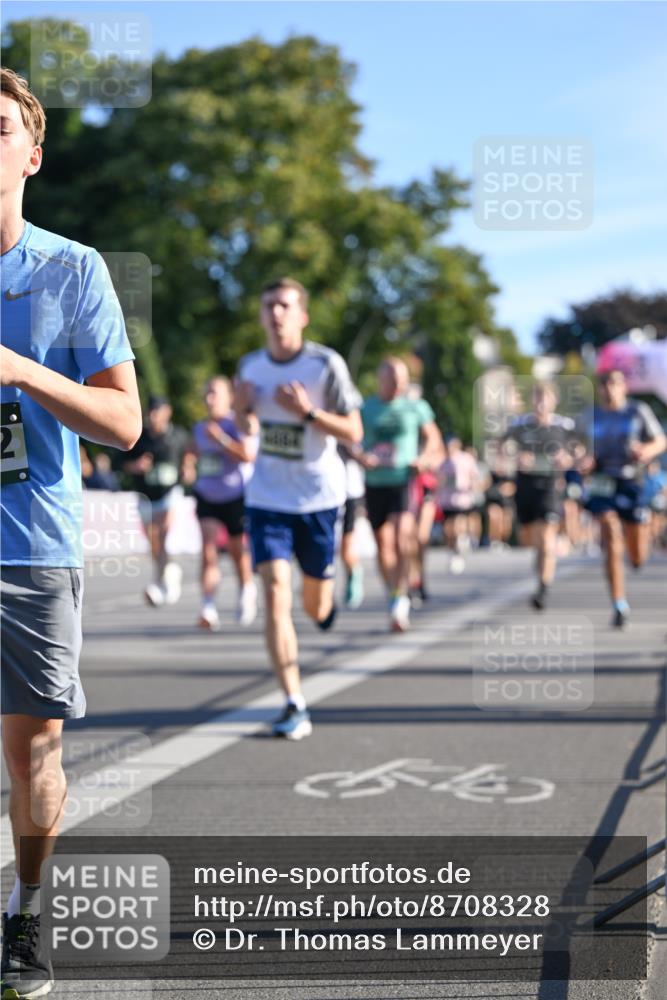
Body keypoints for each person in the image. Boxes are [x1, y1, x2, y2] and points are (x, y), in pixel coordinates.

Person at [0, 68, 141, 999]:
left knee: (33, 750)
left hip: (29, 545)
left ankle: (28, 908)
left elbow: (125, 423)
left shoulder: (72, 270)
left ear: (32, 154)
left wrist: (19, 369)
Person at [234, 278, 362, 739]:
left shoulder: (325, 364)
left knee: (314, 603)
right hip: (268, 498)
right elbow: (246, 425)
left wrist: (308, 413)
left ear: (302, 315)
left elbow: (354, 430)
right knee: (273, 597)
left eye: (285, 305)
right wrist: (242, 410)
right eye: (269, 305)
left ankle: (326, 607)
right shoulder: (250, 367)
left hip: (320, 499)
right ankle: (294, 702)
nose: (276, 313)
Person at [359, 358, 443, 631]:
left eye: (402, 380)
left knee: (402, 538)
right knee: (383, 547)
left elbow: (434, 440)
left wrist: (424, 459)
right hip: (374, 482)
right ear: (379, 379)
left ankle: (401, 598)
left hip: (403, 480)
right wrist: (360, 456)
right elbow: (350, 439)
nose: (397, 385)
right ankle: (393, 591)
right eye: (392, 380)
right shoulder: (366, 408)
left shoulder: (415, 407)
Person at [582, 369, 666, 627]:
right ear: (600, 389)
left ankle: (637, 556)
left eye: (614, 383)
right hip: (604, 482)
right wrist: (583, 460)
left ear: (624, 387)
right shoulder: (590, 416)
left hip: (633, 482)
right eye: (605, 383)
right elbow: (578, 447)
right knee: (609, 536)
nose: (609, 388)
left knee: (637, 555)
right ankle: (619, 603)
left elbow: (660, 440)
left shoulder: (637, 411)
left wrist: (646, 451)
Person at [182, 376, 258, 631]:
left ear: (228, 398)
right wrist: (188, 464)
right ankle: (207, 607)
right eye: (207, 393)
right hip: (207, 495)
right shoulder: (200, 427)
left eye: (214, 393)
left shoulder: (235, 424)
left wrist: (222, 440)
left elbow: (247, 455)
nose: (209, 399)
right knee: (208, 550)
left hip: (235, 495)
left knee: (238, 553)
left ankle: (247, 590)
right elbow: (193, 451)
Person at [500, 382, 577, 610]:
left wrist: (567, 459)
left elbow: (577, 451)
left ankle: (543, 588)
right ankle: (541, 556)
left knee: (546, 536)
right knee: (529, 536)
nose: (541, 403)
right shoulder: (520, 425)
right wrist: (515, 457)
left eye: (545, 398)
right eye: (537, 398)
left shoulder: (564, 426)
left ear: (554, 401)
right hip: (525, 484)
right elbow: (501, 446)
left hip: (550, 485)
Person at [122, 395, 189, 607]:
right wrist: (136, 466)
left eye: (157, 411)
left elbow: (189, 456)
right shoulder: (139, 437)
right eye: (150, 411)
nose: (153, 416)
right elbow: (121, 463)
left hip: (170, 493)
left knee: (166, 534)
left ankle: (167, 577)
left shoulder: (178, 436)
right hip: (146, 496)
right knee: (155, 542)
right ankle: (163, 577)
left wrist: (189, 467)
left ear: (167, 412)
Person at [436, 436, 480, 575]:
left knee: (457, 526)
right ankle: (453, 551)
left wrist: (471, 485)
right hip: (447, 500)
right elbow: (438, 479)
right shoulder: (442, 461)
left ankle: (462, 543)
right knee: (448, 529)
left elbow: (474, 475)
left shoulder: (466, 459)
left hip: (462, 499)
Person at [338, 443, 366, 609]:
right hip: (318, 494)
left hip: (349, 493)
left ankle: (353, 573)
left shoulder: (349, 421)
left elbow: (359, 451)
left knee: (346, 546)